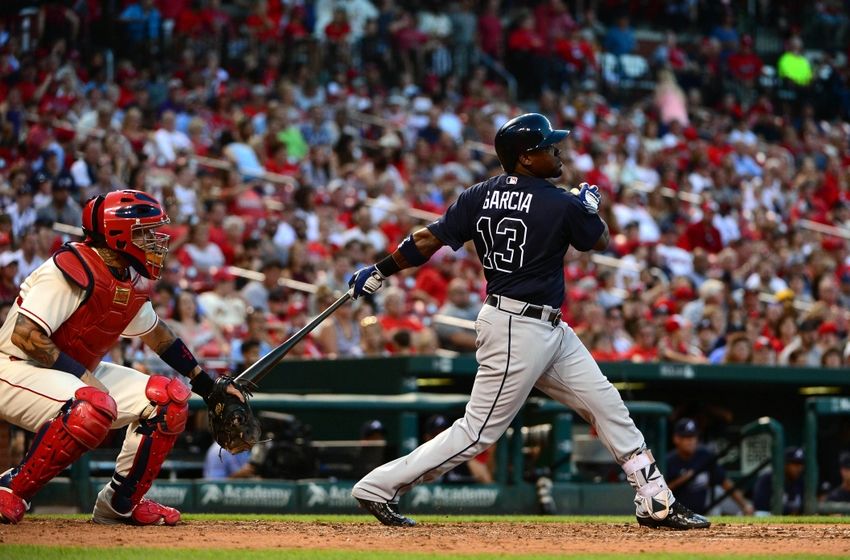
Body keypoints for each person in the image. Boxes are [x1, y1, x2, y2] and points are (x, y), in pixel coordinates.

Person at [347, 113, 709, 529]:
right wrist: (589, 209)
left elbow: (427, 240)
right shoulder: (559, 202)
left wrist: (379, 270)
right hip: (516, 329)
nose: (557, 151)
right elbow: (599, 240)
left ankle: (655, 499)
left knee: (607, 405)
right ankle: (378, 486)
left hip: (545, 327)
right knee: (477, 432)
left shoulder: (479, 194)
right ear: (524, 157)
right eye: (546, 147)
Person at [0, 190, 248, 525]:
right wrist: (83, 377)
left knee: (168, 400)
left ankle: (120, 504)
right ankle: (11, 489)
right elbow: (26, 335)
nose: (156, 241)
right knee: (91, 406)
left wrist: (207, 385)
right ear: (118, 234)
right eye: (145, 233)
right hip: (14, 367)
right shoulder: (71, 266)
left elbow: (159, 336)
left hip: (71, 375)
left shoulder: (127, 278)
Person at [666, 418, 753, 516]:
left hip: (704, 508)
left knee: (717, 492)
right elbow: (660, 494)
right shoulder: (668, 461)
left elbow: (724, 482)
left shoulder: (704, 455)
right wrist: (682, 479)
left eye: (693, 437)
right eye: (687, 437)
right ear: (676, 439)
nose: (691, 441)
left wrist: (745, 505)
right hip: (679, 511)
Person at [753, 447, 805, 515]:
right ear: (785, 464)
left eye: (801, 464)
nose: (799, 468)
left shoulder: (801, 481)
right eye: (794, 464)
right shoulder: (768, 478)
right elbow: (760, 507)